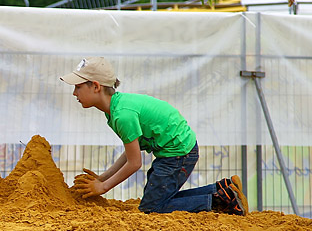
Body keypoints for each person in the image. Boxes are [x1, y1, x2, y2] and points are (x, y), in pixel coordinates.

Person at [60, 57, 248, 215]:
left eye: (77, 87)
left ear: (95, 86)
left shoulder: (122, 115)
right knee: (160, 201)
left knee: (152, 209)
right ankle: (222, 190)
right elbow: (130, 151)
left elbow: (135, 163)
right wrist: (103, 177)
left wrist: (103, 187)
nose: (74, 93)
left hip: (178, 152)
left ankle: (219, 201)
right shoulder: (116, 109)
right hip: (176, 148)